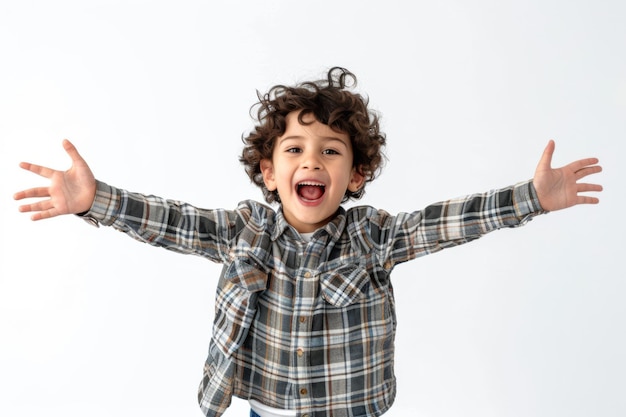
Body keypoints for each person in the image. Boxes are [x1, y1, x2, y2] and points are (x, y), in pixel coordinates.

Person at [14, 67, 602, 417]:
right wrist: (95, 201)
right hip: (260, 408)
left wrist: (531, 197)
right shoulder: (245, 230)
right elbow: (173, 221)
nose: (311, 160)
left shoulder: (374, 238)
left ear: (357, 175)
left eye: (331, 150)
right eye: (294, 149)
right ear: (269, 172)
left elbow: (446, 220)